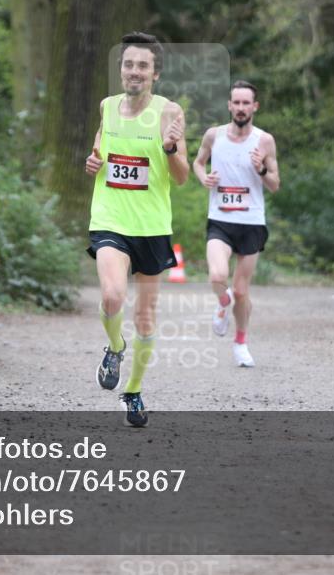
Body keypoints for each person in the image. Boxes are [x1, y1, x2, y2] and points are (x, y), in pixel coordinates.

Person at [85, 31, 189, 427]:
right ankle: (115, 346)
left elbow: (180, 178)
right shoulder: (107, 107)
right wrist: (92, 163)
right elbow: (98, 153)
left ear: (155, 74)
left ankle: (134, 391)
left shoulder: (169, 112)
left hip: (151, 226)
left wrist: (168, 149)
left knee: (145, 317)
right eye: (129, 64)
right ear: (121, 70)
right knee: (112, 296)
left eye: (143, 66)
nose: (134, 71)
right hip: (110, 217)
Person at [192, 80, 279, 367]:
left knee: (242, 291)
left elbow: (275, 184)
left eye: (246, 103)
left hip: (251, 221)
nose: (240, 108)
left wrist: (261, 168)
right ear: (229, 105)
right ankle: (222, 302)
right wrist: (204, 178)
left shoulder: (264, 141)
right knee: (218, 276)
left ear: (255, 106)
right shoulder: (214, 135)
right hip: (220, 219)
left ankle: (241, 342)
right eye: (236, 103)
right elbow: (198, 162)